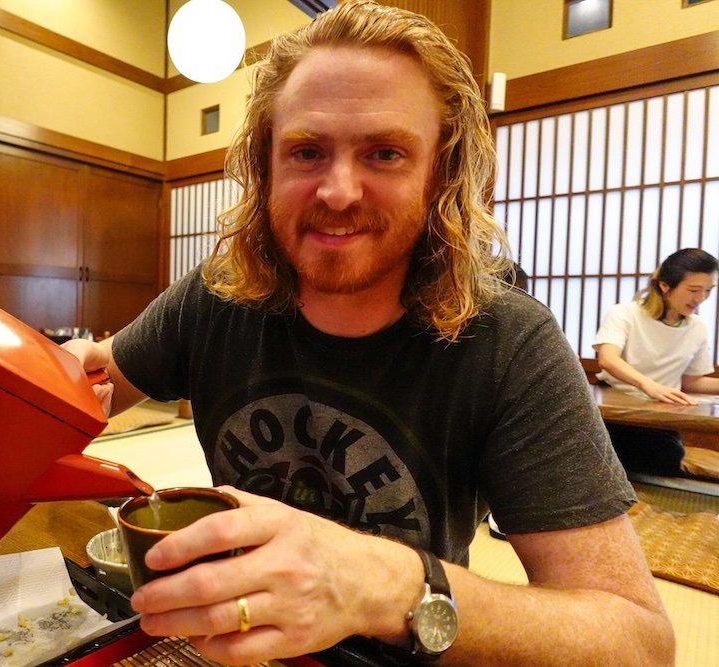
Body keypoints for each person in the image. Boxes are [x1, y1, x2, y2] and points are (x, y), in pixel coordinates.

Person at [64, 2, 674, 664]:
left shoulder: (508, 342)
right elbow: (92, 379)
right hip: (227, 644)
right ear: (266, 166)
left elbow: (638, 641)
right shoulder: (217, 294)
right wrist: (43, 385)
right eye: (307, 151)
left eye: (384, 153)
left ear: (440, 172)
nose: (338, 190)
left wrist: (387, 585)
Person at [593, 248, 719, 476]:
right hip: (614, 415)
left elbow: (692, 383)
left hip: (659, 418)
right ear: (665, 286)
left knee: (666, 459)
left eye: (708, 291)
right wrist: (649, 385)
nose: (700, 298)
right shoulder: (625, 313)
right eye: (693, 290)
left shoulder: (697, 327)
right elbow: (608, 359)